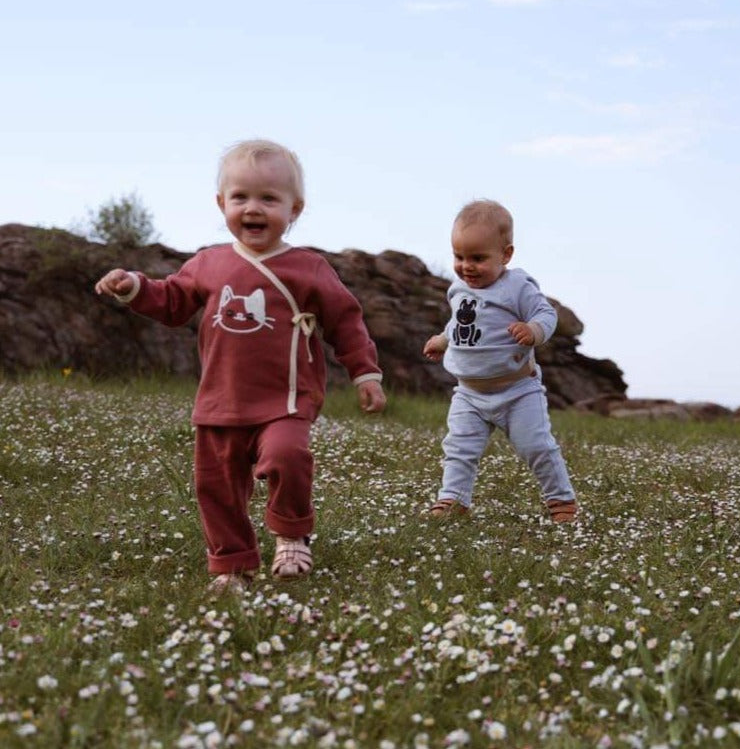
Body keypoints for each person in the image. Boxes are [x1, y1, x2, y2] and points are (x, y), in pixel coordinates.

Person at [95, 139, 387, 594]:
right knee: (216, 487)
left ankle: (291, 532)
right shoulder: (208, 264)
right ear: (221, 203)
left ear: (295, 209)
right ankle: (233, 564)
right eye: (241, 197)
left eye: (270, 198)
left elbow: (345, 322)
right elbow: (172, 301)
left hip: (284, 400)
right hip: (219, 402)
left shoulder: (308, 267)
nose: (254, 208)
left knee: (288, 456)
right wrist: (134, 286)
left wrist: (365, 372)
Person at [423, 199, 576, 523]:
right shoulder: (458, 289)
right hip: (469, 393)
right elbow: (462, 324)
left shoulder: (516, 286)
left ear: (506, 255)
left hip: (517, 390)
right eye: (459, 256)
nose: (467, 266)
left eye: (478, 258)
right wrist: (444, 339)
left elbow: (546, 313)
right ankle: (453, 499)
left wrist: (533, 330)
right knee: (459, 448)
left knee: (535, 445)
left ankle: (561, 501)